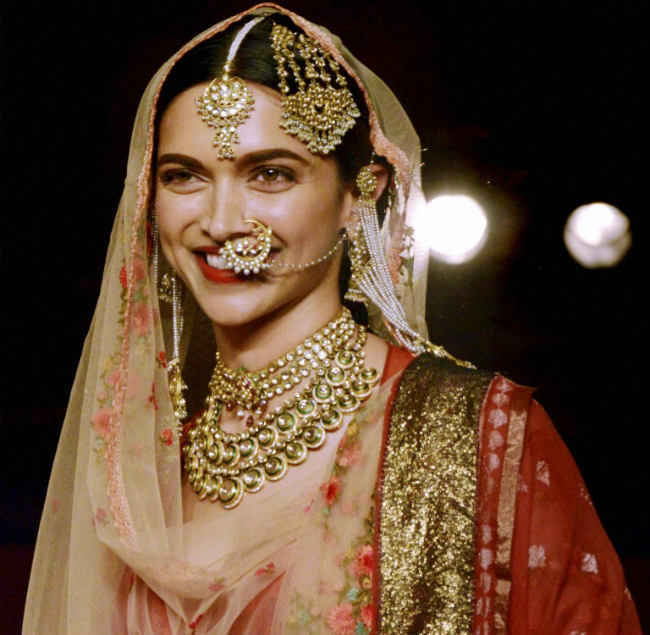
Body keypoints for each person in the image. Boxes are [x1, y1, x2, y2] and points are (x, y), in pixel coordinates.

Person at [23, 4, 641, 634]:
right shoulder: (141, 474)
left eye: (270, 174)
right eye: (184, 177)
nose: (221, 221)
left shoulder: (480, 439)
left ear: (361, 191)